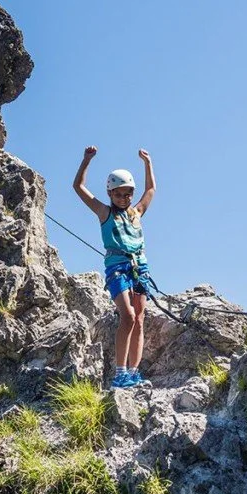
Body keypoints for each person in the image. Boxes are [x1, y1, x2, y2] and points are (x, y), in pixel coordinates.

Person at [73, 146, 156, 389]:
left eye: (128, 194)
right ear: (110, 194)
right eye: (119, 194)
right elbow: (79, 187)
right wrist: (86, 160)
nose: (124, 198)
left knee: (139, 319)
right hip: (118, 267)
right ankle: (120, 374)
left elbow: (151, 189)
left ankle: (134, 373)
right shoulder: (104, 212)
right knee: (128, 316)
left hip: (140, 267)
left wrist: (147, 163)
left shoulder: (136, 213)